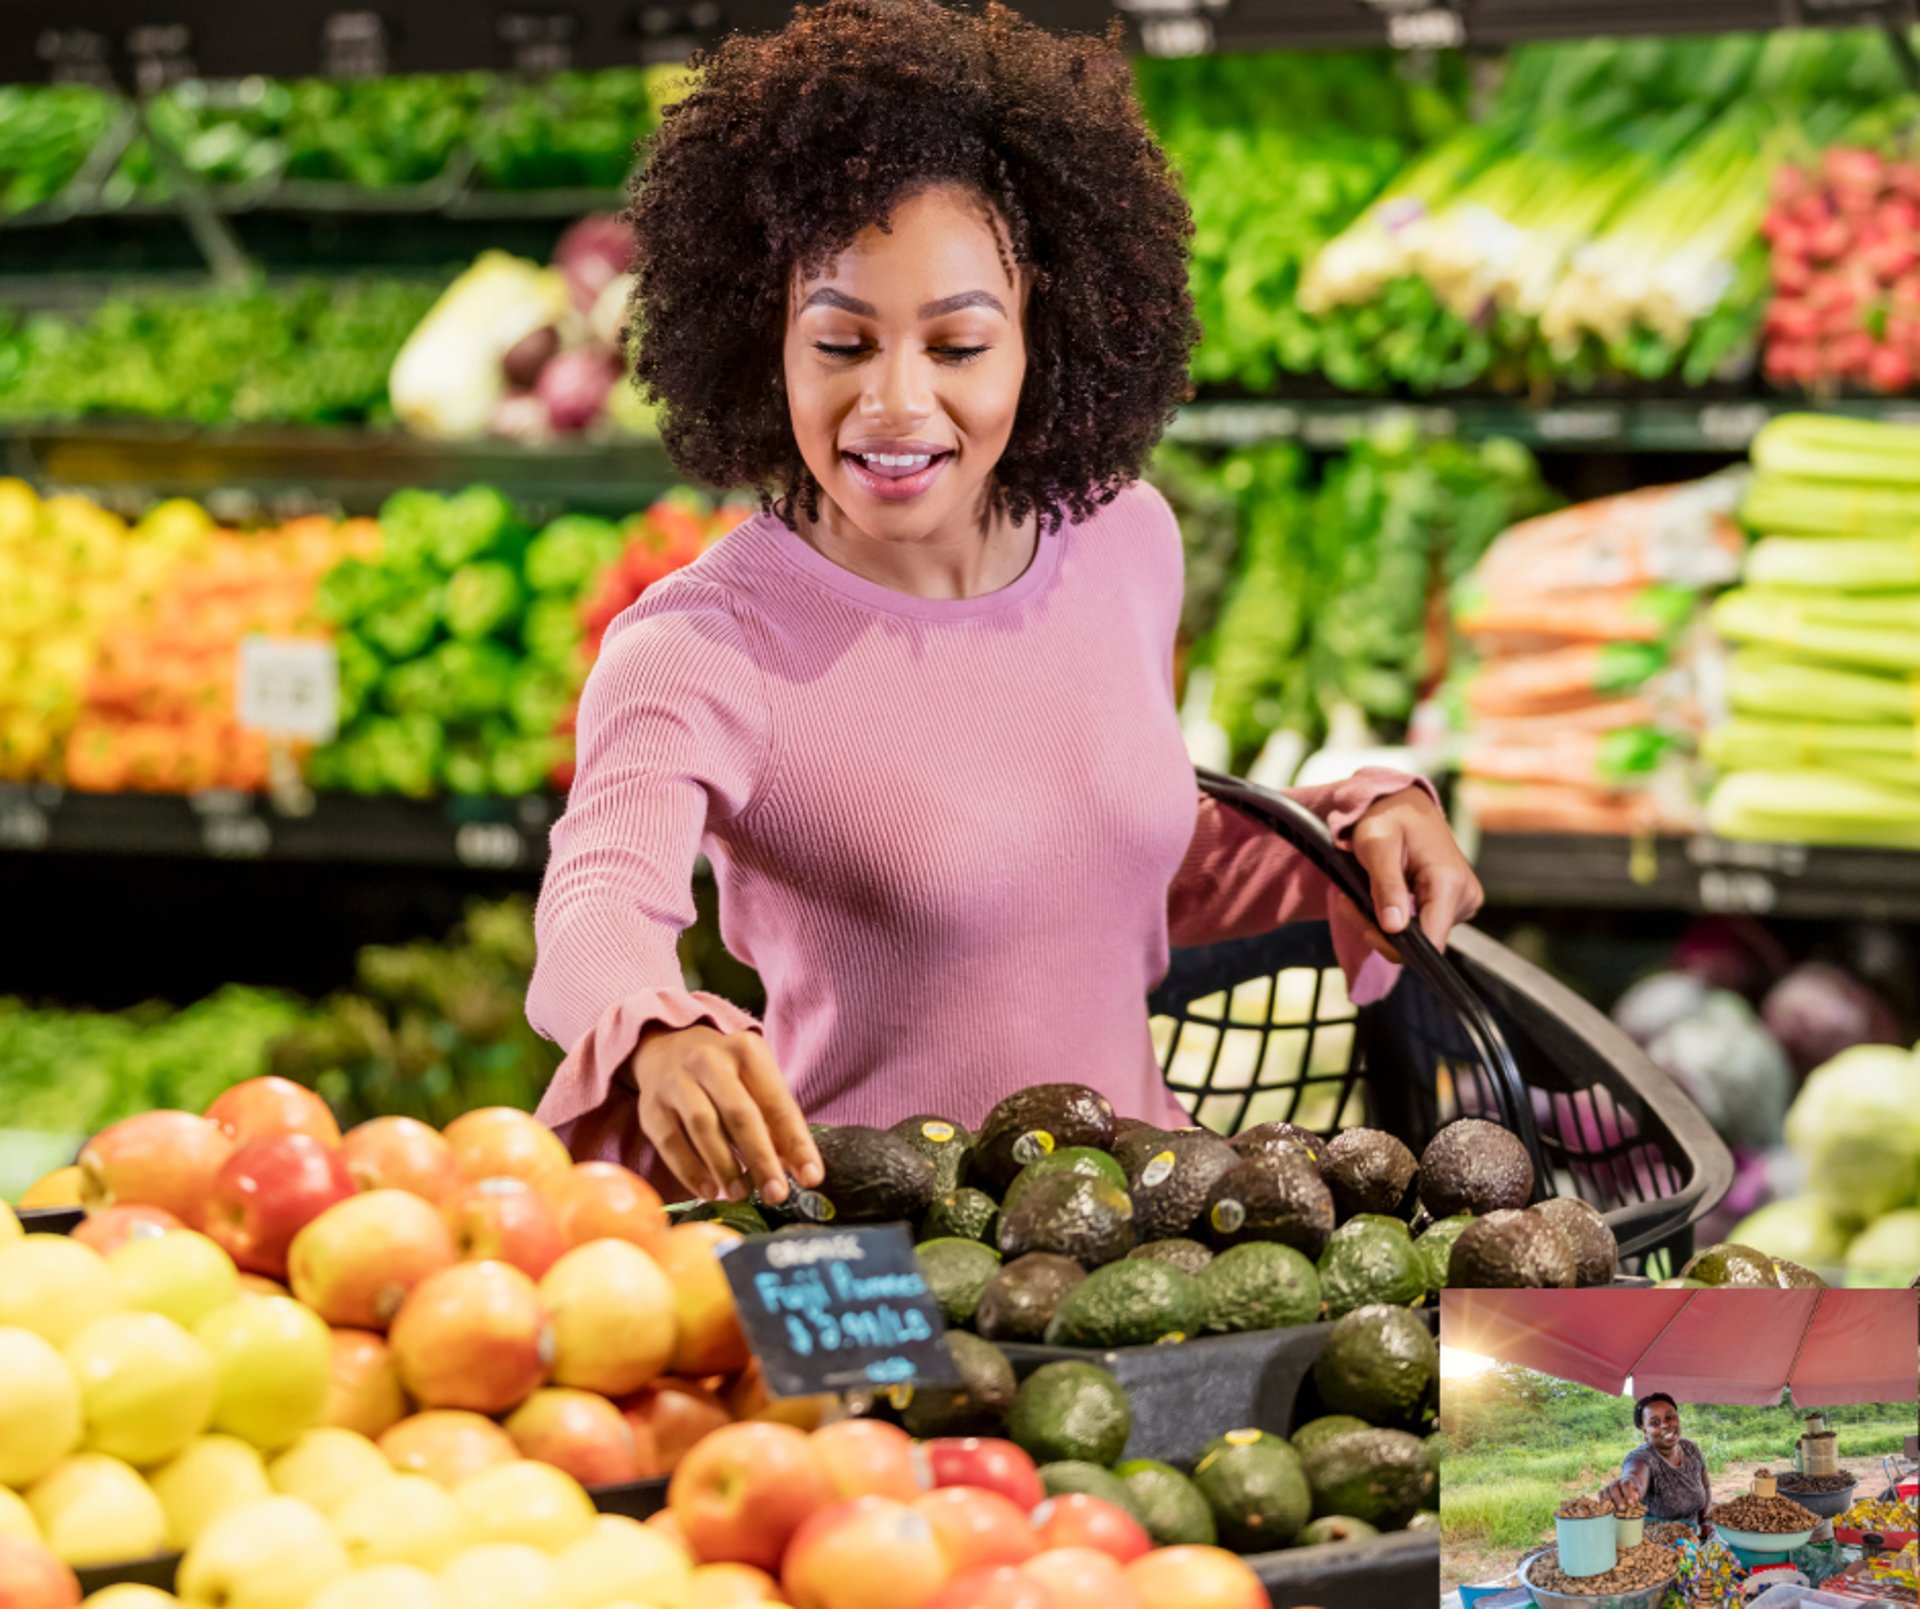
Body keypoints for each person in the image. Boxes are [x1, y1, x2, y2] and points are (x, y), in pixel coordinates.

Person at [526, 0, 1484, 1206]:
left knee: (1626, 1386)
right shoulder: (701, 645)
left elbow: (1116, 856)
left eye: (958, 346)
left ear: (1046, 335)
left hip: (1150, 1231)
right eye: (841, 343)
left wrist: (1349, 841)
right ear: (762, 343)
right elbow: (597, 902)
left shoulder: (1125, 538)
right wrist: (653, 1025)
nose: (894, 403)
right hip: (879, 1261)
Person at [1601, 1392, 1714, 1538]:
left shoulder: (1690, 1449)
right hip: (1660, 1547)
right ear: (1645, 1430)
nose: (1665, 1425)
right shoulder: (1642, 1457)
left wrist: (1703, 1521)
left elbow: (1706, 1486)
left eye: (1670, 1417)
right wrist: (1629, 1484)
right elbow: (1635, 1474)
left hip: (1694, 1540)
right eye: (1654, 1422)